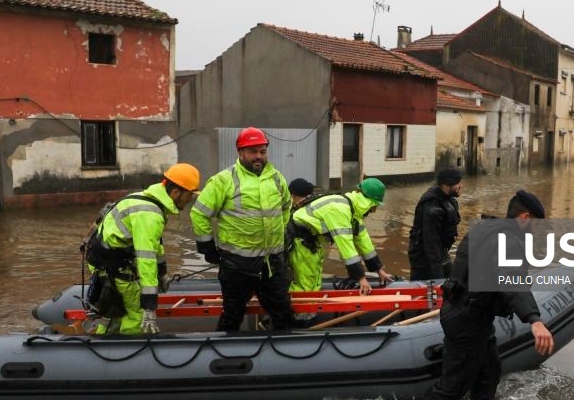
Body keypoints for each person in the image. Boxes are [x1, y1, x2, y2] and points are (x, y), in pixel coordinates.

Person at [398, 190, 554, 400]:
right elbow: (510, 280)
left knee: (490, 370)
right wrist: (534, 319)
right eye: (535, 224)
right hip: (467, 319)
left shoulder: (486, 228)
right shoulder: (507, 242)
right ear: (525, 217)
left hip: (468, 314)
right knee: (453, 387)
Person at [190, 127, 295, 331]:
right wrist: (207, 247)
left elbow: (285, 208)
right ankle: (225, 356)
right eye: (253, 151)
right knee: (232, 315)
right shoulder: (223, 180)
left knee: (283, 313)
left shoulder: (276, 178)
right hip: (237, 265)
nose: (258, 156)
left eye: (262, 151)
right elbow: (199, 213)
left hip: (272, 263)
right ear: (240, 152)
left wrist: (280, 238)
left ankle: (285, 356)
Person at [88, 163, 200, 335]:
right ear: (176, 192)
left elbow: (155, 245)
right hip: (114, 266)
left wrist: (162, 272)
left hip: (105, 261)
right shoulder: (150, 215)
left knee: (114, 311)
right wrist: (149, 307)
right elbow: (145, 260)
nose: (189, 200)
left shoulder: (149, 200)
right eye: (189, 195)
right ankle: (129, 352)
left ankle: (103, 341)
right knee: (136, 315)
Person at [287, 178, 394, 295]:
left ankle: (310, 304)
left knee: (314, 278)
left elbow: (364, 241)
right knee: (306, 284)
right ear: (366, 201)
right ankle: (298, 309)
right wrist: (360, 278)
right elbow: (346, 247)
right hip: (300, 241)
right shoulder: (340, 209)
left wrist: (378, 270)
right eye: (374, 206)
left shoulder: (353, 210)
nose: (373, 211)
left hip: (311, 242)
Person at [408, 168, 462, 281]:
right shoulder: (432, 206)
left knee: (451, 280)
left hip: (440, 251)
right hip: (423, 257)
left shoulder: (446, 199)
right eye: (457, 183)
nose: (461, 186)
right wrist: (438, 277)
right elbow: (431, 242)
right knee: (430, 284)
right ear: (447, 186)